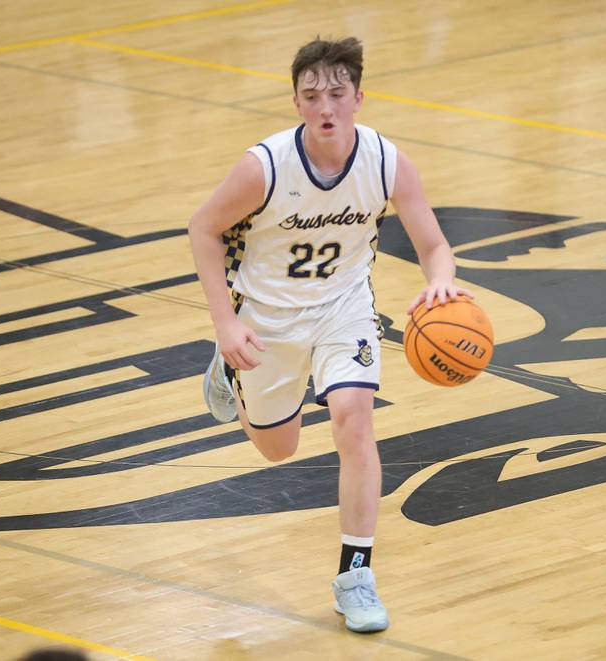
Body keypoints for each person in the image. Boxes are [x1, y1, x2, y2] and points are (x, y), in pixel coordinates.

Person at [188, 36, 471, 633]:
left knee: (354, 418)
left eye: (337, 94)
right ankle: (227, 365)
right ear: (296, 103)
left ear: (358, 98)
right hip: (268, 318)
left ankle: (356, 574)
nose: (325, 106)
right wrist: (226, 322)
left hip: (345, 310)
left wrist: (441, 282)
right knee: (278, 448)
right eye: (312, 95)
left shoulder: (386, 161)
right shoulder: (263, 166)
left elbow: (434, 244)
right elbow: (203, 230)